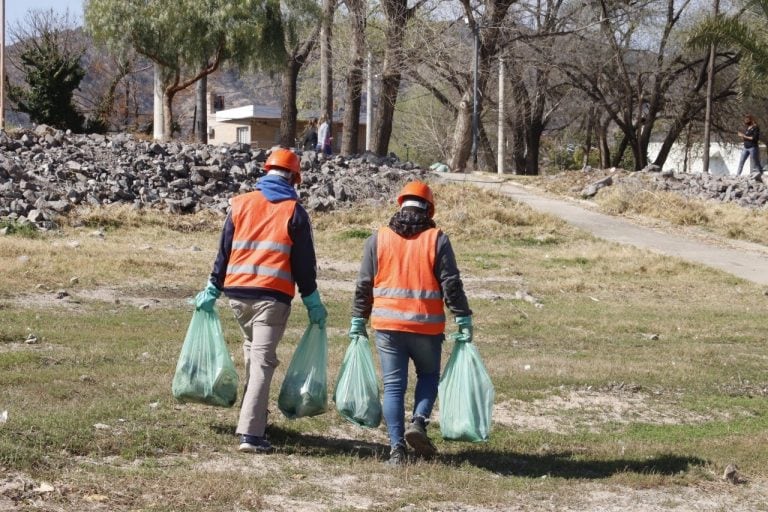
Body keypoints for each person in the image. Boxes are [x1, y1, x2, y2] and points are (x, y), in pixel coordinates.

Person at [194, 147, 328, 454]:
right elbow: (303, 265)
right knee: (263, 362)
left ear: (265, 172)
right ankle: (252, 434)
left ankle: (254, 413)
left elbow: (223, 252)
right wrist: (313, 302)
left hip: (237, 295)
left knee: (253, 354)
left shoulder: (240, 204)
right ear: (296, 178)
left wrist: (213, 288)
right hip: (271, 297)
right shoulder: (294, 212)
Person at [348, 181, 473, 466]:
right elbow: (450, 283)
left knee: (393, 387)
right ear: (429, 209)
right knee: (428, 376)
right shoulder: (437, 239)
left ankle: (396, 450)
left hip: (388, 326)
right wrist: (463, 316)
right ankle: (418, 421)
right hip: (427, 327)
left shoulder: (377, 239)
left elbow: (363, 285)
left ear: (400, 204)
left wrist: (358, 318)